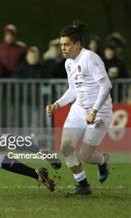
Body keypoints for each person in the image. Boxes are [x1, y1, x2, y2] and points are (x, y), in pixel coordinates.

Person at [46, 20, 111, 196]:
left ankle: (103, 160)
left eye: (67, 45)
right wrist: (57, 104)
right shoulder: (69, 63)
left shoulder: (90, 58)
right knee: (66, 147)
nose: (63, 48)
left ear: (78, 44)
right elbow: (73, 90)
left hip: (99, 111)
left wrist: (94, 111)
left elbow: (106, 87)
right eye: (61, 45)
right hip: (78, 109)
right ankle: (82, 184)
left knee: (86, 156)